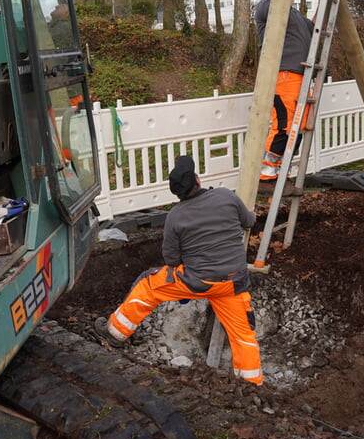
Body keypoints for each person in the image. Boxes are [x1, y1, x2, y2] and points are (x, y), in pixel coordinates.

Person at [94, 155, 263, 386]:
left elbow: (172, 259)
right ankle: (251, 385)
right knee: (243, 335)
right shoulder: (226, 196)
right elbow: (249, 221)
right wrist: (249, 214)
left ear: (177, 193)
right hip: (233, 283)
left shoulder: (175, 216)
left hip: (197, 281)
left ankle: (116, 332)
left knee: (148, 284)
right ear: (198, 180)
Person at [254, 0, 314, 193]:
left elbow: (314, 28)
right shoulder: (266, 5)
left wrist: (324, 2)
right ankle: (265, 176)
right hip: (283, 74)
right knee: (284, 125)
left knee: (297, 128)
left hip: (301, 75)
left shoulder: (294, 14)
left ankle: (281, 175)